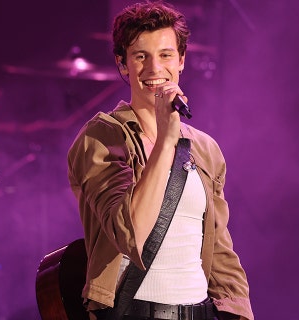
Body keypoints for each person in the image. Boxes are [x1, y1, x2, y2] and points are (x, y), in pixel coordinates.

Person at [67, 1, 254, 320]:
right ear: (123, 64)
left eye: (165, 55)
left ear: (181, 60)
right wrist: (167, 140)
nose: (155, 69)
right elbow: (130, 235)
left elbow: (221, 256)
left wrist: (238, 312)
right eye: (141, 56)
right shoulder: (102, 139)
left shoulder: (205, 148)